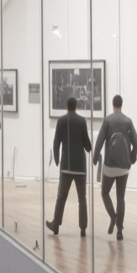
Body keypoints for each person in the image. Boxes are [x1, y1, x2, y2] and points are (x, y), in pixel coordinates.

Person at [94, 94, 137, 239]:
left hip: (110, 165)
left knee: (105, 193)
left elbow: (99, 141)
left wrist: (95, 158)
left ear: (113, 105)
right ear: (122, 104)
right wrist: (132, 157)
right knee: (121, 198)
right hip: (124, 166)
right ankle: (119, 230)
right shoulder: (128, 122)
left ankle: (113, 216)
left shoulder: (107, 121)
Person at [47, 95, 91, 237]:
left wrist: (56, 158)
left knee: (61, 196)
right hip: (80, 167)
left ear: (66, 107)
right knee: (82, 198)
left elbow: (56, 142)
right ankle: (83, 228)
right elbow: (87, 145)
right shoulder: (82, 121)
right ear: (76, 107)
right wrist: (89, 146)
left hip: (66, 165)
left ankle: (56, 224)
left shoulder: (61, 121)